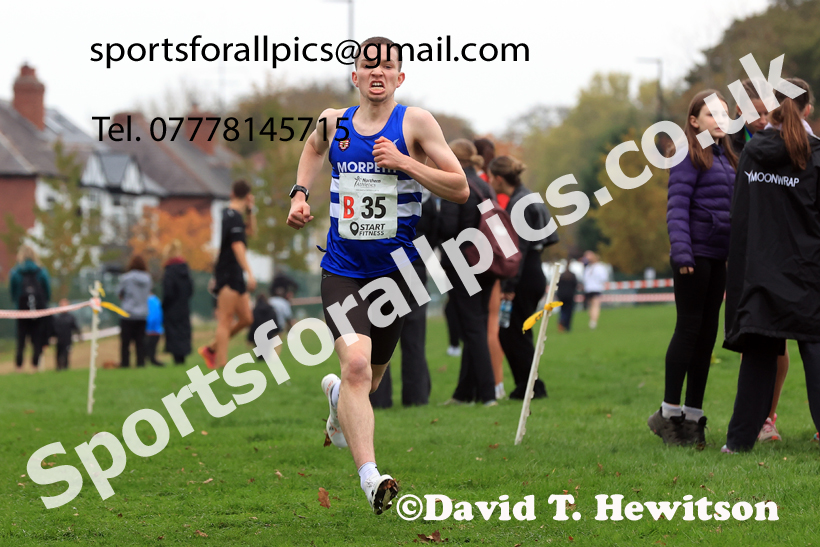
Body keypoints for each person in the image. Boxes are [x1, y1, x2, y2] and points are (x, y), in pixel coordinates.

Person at [286, 36, 468, 515]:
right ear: (355, 75)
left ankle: (334, 400)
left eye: (387, 65)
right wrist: (299, 194)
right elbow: (312, 148)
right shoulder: (333, 121)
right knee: (356, 367)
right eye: (368, 65)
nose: (377, 72)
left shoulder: (415, 123)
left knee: (367, 381)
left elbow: (460, 187)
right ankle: (371, 478)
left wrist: (404, 161)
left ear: (400, 76)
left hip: (397, 275)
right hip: (342, 270)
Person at [722, 78, 820, 453]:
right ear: (807, 109)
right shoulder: (816, 153)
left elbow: (741, 216)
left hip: (761, 272)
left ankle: (738, 442)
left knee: (759, 357)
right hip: (809, 271)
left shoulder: (752, 152)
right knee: (816, 353)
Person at [647, 90, 738, 446]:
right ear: (694, 121)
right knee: (688, 330)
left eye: (724, 113)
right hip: (694, 256)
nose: (720, 119)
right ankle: (668, 414)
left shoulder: (728, 156)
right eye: (712, 114)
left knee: (707, 336)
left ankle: (693, 417)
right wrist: (682, 253)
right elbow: (677, 206)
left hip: (718, 257)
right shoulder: (687, 153)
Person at [729, 80, 790, 443]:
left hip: (778, 252)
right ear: (740, 111)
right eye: (756, 112)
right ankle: (752, 416)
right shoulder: (728, 145)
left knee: (778, 339)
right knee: (751, 336)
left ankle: (769, 416)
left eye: (768, 111)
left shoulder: (786, 142)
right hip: (741, 251)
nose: (762, 118)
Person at [489, 155, 558, 400]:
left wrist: (509, 284)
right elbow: (550, 237)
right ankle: (526, 385)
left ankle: (532, 386)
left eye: (491, 177)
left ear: (499, 179)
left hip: (524, 274)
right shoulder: (530, 197)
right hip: (534, 269)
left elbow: (516, 250)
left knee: (512, 333)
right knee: (518, 332)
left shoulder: (518, 204)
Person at [438, 139, 497, 407]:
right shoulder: (485, 185)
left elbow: (449, 228)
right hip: (487, 261)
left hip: (462, 261)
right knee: (477, 325)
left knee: (472, 328)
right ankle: (464, 393)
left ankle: (487, 394)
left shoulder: (456, 183)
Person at [370, 188, 437, 409]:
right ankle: (417, 395)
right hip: (415, 264)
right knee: (415, 336)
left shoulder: (381, 192)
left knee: (380, 334)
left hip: (384, 264)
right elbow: (434, 234)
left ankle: (378, 398)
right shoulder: (426, 197)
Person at [199, 180, 257, 369]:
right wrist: (250, 273)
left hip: (236, 272)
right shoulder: (231, 215)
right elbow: (237, 245)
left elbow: (251, 232)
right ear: (247, 196)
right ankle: (221, 364)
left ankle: (211, 349)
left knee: (247, 319)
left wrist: (251, 211)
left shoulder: (238, 216)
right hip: (227, 272)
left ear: (232, 193)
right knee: (225, 319)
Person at [474, 137, 505, 399]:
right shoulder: (492, 186)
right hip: (494, 259)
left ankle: (494, 383)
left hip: (475, 259)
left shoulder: (478, 183)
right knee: (490, 323)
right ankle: (495, 383)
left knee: (486, 325)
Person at [9, 245, 51, 372]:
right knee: (37, 338)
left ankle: (19, 366)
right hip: (38, 310)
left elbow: (13, 293)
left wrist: (17, 303)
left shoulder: (15, 272)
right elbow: (47, 291)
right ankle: (35, 366)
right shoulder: (41, 271)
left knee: (21, 338)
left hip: (21, 310)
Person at [162, 240, 194, 365]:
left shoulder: (169, 271)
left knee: (173, 333)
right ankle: (182, 358)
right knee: (183, 332)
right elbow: (190, 289)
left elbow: (168, 292)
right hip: (184, 307)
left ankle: (176, 359)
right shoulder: (185, 270)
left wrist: (164, 305)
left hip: (171, 308)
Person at [118, 254, 152, 368]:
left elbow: (120, 293)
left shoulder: (125, 278)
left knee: (125, 343)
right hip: (142, 314)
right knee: (140, 342)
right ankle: (141, 363)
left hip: (127, 314)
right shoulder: (148, 279)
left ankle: (125, 364)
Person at [49, 298, 81, 370]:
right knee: (58, 354)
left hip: (68, 339)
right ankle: (58, 368)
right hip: (59, 340)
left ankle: (65, 368)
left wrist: (80, 336)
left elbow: (76, 327)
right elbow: (53, 329)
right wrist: (51, 337)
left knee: (66, 354)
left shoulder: (71, 317)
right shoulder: (57, 318)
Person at [581, 251, 608, 329]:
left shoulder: (598, 267)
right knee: (592, 305)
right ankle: (593, 320)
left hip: (594, 288)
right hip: (590, 288)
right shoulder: (589, 268)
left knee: (594, 305)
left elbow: (603, 278)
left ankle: (593, 321)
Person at [556, 266, 578, 332]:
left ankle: (561, 321)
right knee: (569, 311)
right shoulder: (572, 276)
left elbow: (557, 285)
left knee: (562, 310)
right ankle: (567, 326)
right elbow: (575, 285)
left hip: (562, 296)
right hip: (570, 296)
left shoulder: (561, 276)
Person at [145, 292, 165, 367]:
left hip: (151, 329)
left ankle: (150, 360)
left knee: (149, 346)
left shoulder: (150, 300)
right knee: (151, 346)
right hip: (156, 328)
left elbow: (153, 316)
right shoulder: (156, 300)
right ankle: (152, 360)